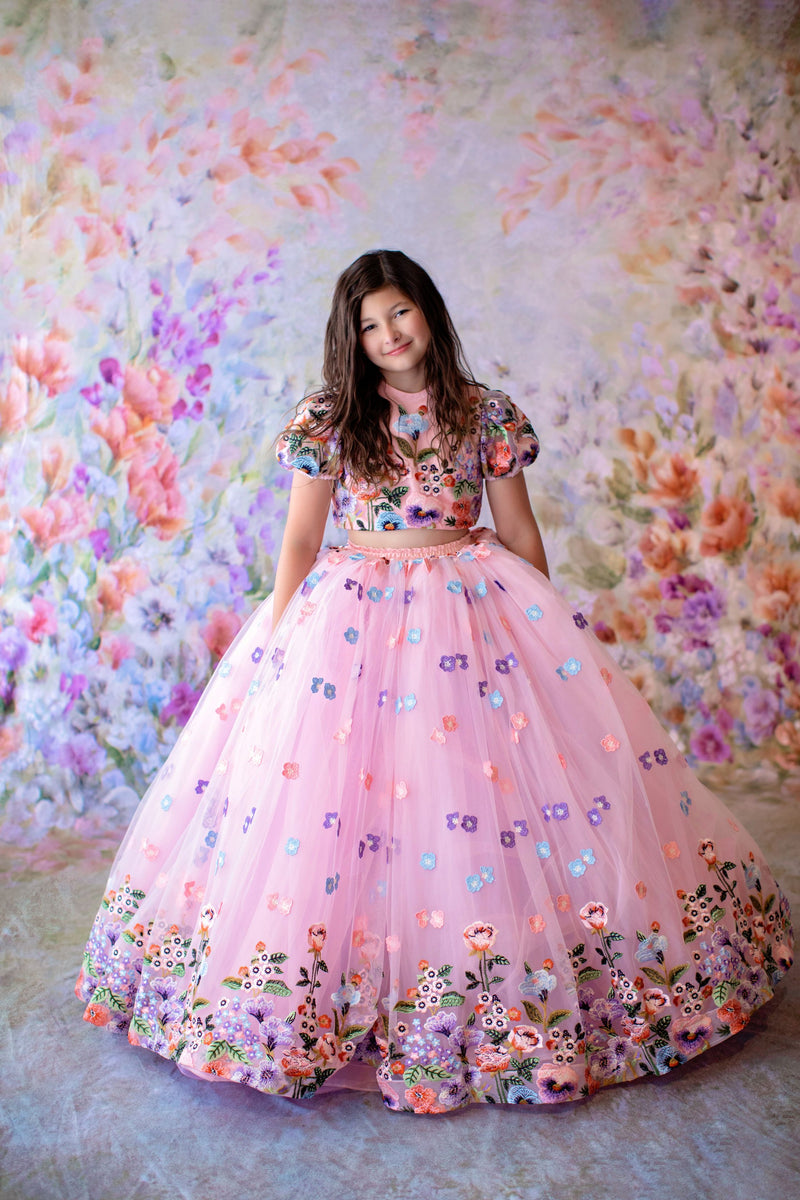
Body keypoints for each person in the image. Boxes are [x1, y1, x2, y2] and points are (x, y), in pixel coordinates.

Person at [77, 249, 793, 1113]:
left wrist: (551, 631)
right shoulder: (333, 418)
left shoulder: (483, 413)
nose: (388, 336)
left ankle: (514, 978)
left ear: (429, 312)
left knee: (481, 789)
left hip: (472, 602)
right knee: (343, 801)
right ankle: (338, 992)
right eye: (369, 326)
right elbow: (301, 540)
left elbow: (520, 530)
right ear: (352, 339)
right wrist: (277, 633)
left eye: (400, 315)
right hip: (355, 614)